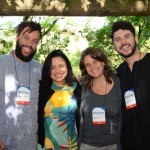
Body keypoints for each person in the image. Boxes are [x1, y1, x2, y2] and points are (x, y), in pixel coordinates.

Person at [0, 21, 42, 150]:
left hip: (30, 144)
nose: (29, 44)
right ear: (17, 36)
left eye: (35, 41)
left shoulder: (39, 68)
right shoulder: (1, 63)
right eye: (26, 37)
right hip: (4, 143)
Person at [111, 20, 150, 150]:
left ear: (136, 38)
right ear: (114, 45)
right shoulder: (119, 72)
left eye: (127, 36)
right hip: (129, 143)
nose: (123, 42)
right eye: (118, 39)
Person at [78, 47, 122, 150]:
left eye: (95, 61)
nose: (92, 67)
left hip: (113, 145)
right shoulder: (82, 85)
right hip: (87, 145)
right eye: (87, 65)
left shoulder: (119, 83)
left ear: (103, 62)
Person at [38, 49, 81, 150]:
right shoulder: (42, 88)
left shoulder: (76, 87)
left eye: (61, 66)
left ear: (67, 66)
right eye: (52, 68)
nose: (57, 71)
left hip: (72, 145)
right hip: (47, 145)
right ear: (48, 70)